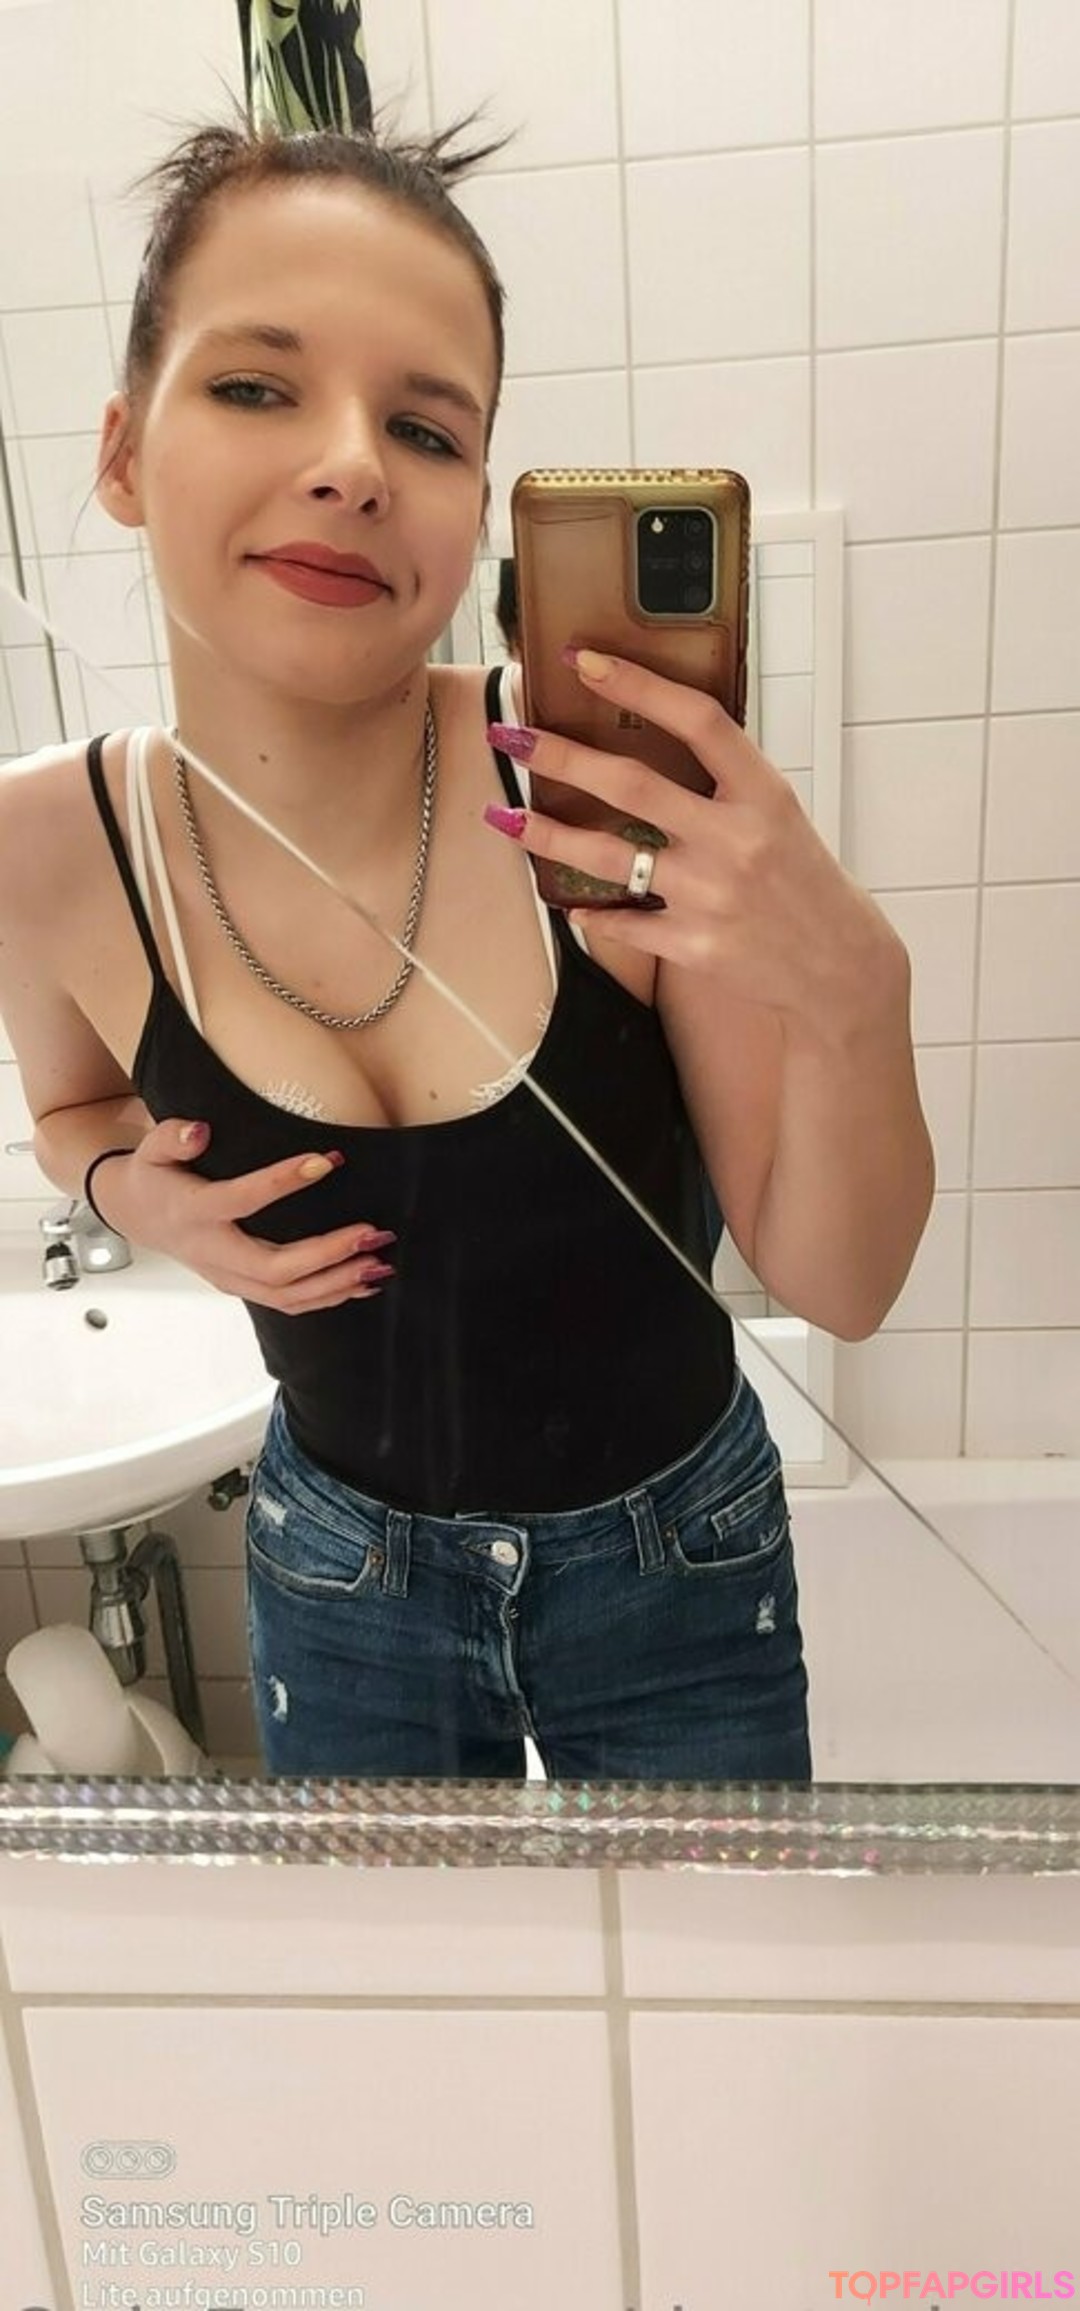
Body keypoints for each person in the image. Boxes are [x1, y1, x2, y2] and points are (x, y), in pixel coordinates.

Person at [0, 118, 934, 1783]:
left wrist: (863, 995)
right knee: (406, 1967)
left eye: (426, 427)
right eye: (259, 386)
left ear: (474, 503)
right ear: (125, 451)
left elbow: (842, 1285)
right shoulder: (43, 843)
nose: (353, 465)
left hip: (676, 1560)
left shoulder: (590, 791)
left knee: (716, 1953)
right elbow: (71, 1114)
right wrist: (127, 1193)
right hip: (337, 1579)